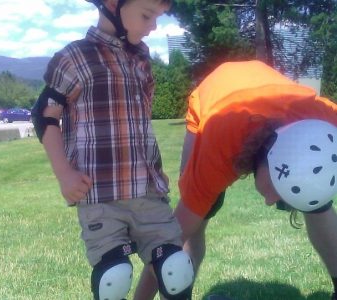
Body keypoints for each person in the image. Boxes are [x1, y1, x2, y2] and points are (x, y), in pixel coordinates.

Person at [31, 0, 195, 299]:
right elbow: (45, 114)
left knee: (176, 268)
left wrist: (154, 168)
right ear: (111, 4)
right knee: (113, 277)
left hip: (147, 192)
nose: (154, 26)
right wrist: (64, 174)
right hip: (100, 196)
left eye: (157, 18)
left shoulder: (142, 57)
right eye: (147, 15)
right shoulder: (75, 57)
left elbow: (139, 120)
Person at [135, 60, 337, 300]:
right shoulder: (218, 143)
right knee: (195, 221)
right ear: (266, 155)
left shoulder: (327, 117)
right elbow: (169, 241)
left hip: (271, 99)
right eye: (276, 188)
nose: (270, 202)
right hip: (216, 104)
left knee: (318, 207)